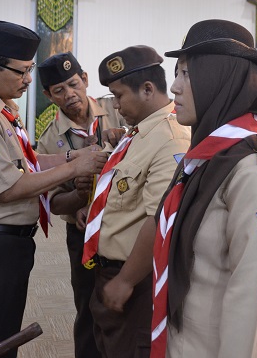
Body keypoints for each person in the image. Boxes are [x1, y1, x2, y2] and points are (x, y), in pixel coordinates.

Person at [0, 20, 107, 358]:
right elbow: (8, 187)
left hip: (6, 246)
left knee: (2, 338)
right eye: (21, 72)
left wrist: (73, 154)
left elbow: (25, 164)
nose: (28, 80)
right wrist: (75, 167)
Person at [150, 19, 257, 358]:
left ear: (218, 78)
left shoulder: (253, 170)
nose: (174, 88)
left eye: (186, 74)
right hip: (183, 341)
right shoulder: (205, 159)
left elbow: (248, 293)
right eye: (177, 73)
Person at [78, 45, 190, 358]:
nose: (115, 105)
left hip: (135, 278)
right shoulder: (138, 133)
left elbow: (161, 219)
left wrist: (126, 280)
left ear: (147, 89)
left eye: (119, 95)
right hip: (109, 271)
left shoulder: (171, 137)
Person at [36, 51, 123, 358]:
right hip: (84, 236)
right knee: (88, 306)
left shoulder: (118, 109)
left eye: (74, 84)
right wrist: (77, 199)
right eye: (59, 90)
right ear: (49, 95)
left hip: (127, 227)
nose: (69, 94)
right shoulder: (48, 141)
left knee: (127, 303)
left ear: (85, 80)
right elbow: (52, 201)